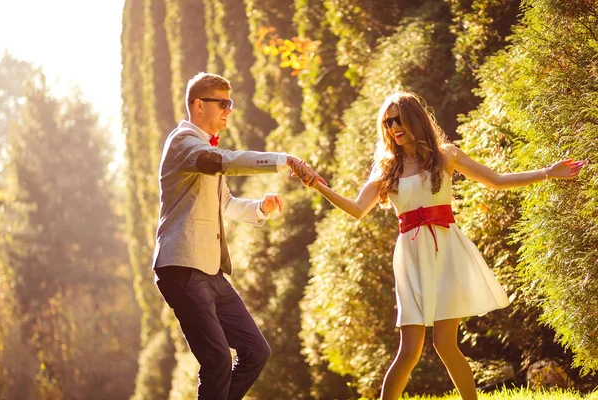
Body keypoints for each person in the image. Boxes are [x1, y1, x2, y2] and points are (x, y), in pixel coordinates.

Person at [297, 91, 585, 399]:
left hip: (446, 250)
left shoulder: (445, 155)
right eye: (388, 121)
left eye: (399, 119)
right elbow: (356, 209)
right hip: (410, 256)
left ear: (415, 119)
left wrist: (547, 173)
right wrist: (317, 184)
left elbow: (496, 180)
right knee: (409, 350)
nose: (394, 127)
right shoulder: (386, 167)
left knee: (446, 345)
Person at [152, 72, 321, 400]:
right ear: (199, 105)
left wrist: (261, 207)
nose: (230, 110)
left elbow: (225, 204)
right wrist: (282, 160)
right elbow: (223, 161)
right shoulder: (183, 142)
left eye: (231, 104)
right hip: (183, 268)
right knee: (216, 360)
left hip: (211, 273)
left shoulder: (204, 150)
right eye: (223, 103)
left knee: (256, 352)